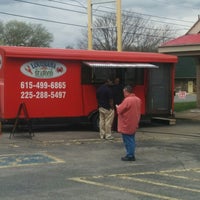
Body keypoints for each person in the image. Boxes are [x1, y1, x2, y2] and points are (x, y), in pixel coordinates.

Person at [116, 85, 141, 161]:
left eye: (124, 92)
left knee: (128, 140)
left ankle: (130, 155)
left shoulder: (127, 100)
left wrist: (117, 107)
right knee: (131, 138)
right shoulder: (138, 99)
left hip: (127, 123)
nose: (123, 93)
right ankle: (131, 154)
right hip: (134, 121)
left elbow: (120, 110)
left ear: (126, 91)